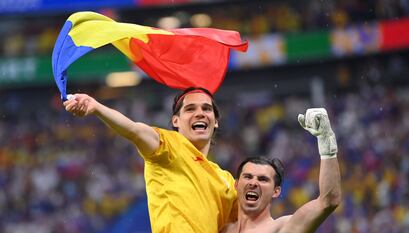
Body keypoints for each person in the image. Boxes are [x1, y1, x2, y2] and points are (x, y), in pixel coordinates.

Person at [63, 87, 238, 233]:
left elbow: (242, 224)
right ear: (175, 121)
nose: (200, 113)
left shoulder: (226, 180)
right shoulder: (169, 146)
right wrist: (97, 108)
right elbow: (134, 130)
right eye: (190, 109)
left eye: (206, 109)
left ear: (216, 122)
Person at [220, 108, 341, 233]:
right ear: (236, 185)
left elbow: (328, 201)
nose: (253, 183)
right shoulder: (221, 227)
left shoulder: (282, 228)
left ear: (276, 191)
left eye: (263, 179)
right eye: (248, 177)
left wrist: (326, 144)